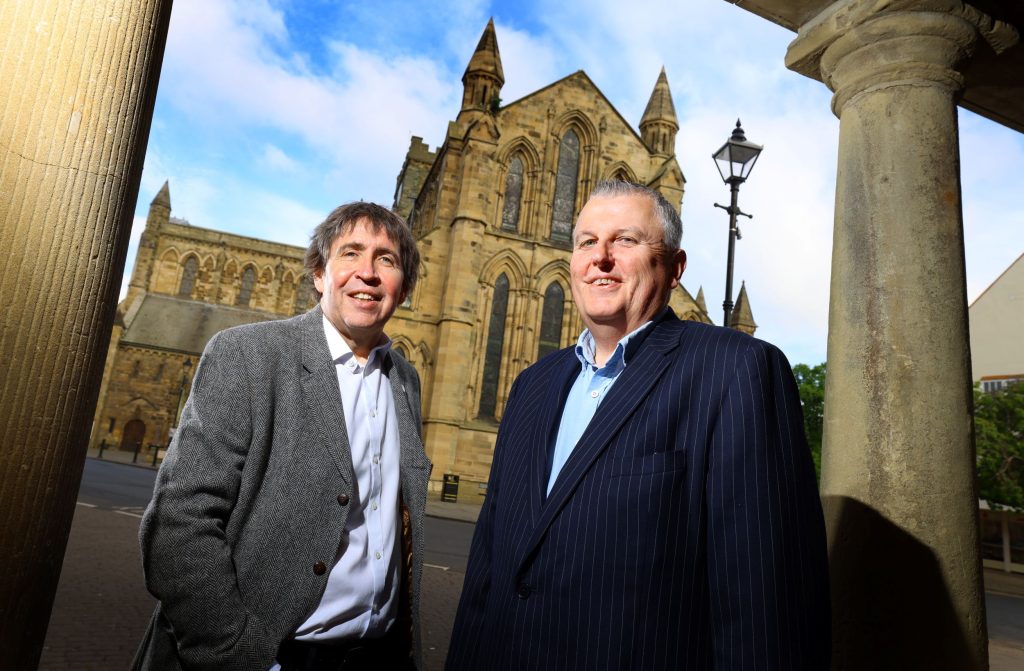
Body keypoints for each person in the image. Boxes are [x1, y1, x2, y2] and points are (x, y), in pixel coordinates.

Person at [446, 181, 830, 670]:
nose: (600, 258)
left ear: (675, 268)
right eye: (587, 241)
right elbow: (487, 571)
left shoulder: (737, 370)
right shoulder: (532, 385)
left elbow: (767, 605)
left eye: (625, 240)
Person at [134, 202, 430, 671]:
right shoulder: (246, 354)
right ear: (319, 273)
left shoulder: (405, 380)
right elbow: (178, 524)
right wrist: (241, 658)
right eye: (351, 253)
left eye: (386, 260)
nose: (368, 273)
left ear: (404, 287)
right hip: (271, 656)